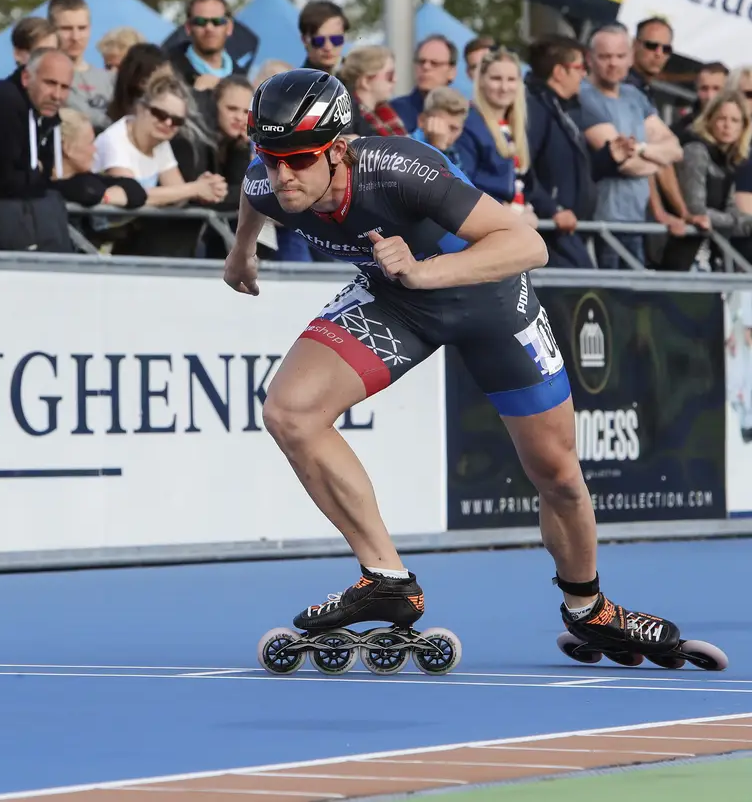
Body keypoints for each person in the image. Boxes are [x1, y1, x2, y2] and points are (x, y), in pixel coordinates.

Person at [225, 68, 696, 662]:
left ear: (338, 149)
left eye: (298, 160)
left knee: (556, 472)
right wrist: (241, 252)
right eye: (271, 159)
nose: (283, 176)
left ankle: (589, 607)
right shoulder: (269, 179)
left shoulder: (398, 168)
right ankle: (386, 578)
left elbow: (528, 245)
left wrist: (424, 272)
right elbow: (253, 195)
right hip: (396, 300)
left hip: (489, 301)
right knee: (289, 412)